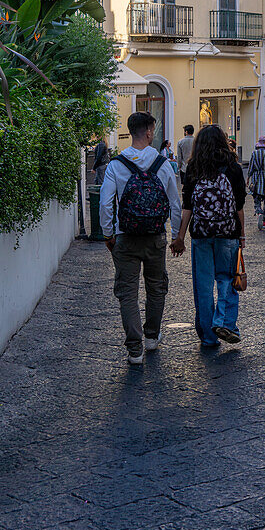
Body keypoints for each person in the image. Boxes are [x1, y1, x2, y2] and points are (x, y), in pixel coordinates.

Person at [100, 111, 182, 365]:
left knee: (128, 293)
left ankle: (134, 350)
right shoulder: (163, 164)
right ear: (148, 132)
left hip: (125, 236)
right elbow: (175, 205)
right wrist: (176, 236)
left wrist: (108, 234)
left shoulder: (116, 164)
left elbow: (105, 203)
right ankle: (151, 337)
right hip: (155, 236)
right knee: (156, 288)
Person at [171, 124, 246, 346]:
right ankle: (224, 322)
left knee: (203, 286)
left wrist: (179, 237)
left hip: (201, 233)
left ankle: (208, 337)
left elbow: (188, 206)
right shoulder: (233, 167)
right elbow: (239, 205)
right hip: (227, 232)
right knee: (226, 278)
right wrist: (241, 235)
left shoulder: (194, 167)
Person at [247, 134, 265, 230]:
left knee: (256, 197)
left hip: (257, 178)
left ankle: (259, 212)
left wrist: (248, 178)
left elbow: (251, 167)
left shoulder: (255, 153)